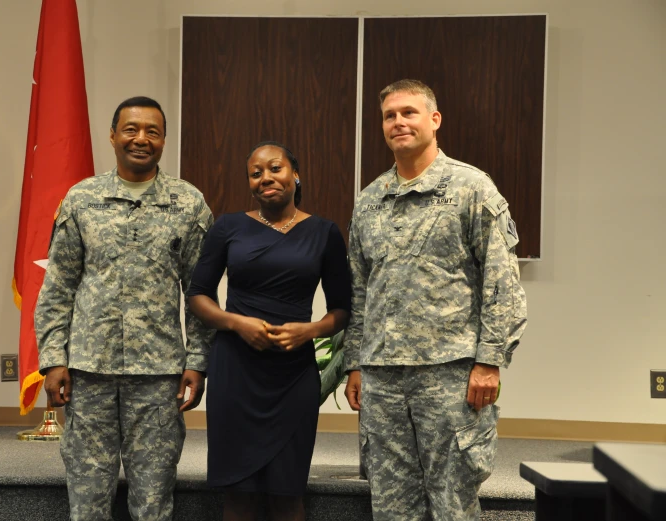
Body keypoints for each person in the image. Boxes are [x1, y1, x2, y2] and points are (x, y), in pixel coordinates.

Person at [343, 79, 527, 521]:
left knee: (453, 504)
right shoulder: (370, 201)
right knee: (390, 505)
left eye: (409, 112)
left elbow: (501, 282)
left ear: (434, 120)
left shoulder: (471, 187)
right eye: (390, 115)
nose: (398, 122)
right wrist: (355, 363)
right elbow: (359, 289)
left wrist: (489, 360)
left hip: (451, 374)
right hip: (384, 378)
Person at [35, 96, 214, 521]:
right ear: (113, 135)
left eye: (152, 131)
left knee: (153, 502)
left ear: (164, 140)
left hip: (157, 377)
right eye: (131, 129)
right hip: (87, 372)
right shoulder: (82, 199)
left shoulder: (188, 204)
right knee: (87, 500)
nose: (141, 139)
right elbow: (58, 284)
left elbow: (199, 294)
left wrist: (198, 362)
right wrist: (52, 359)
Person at [186, 141, 351, 521]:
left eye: (274, 168)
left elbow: (343, 309)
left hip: (292, 375)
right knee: (238, 494)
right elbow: (197, 295)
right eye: (255, 173)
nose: (265, 178)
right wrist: (236, 322)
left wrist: (309, 331)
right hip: (235, 370)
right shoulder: (227, 227)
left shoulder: (324, 232)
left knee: (287, 493)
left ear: (295, 174)